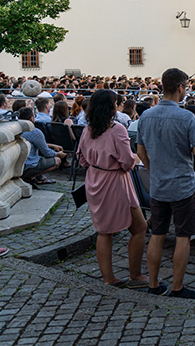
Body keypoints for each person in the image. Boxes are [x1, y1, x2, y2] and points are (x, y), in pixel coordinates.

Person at [136, 68, 195, 299]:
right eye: (185, 87)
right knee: (183, 236)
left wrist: (153, 168)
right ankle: (177, 287)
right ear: (180, 88)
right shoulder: (186, 117)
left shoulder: (146, 115)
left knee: (157, 234)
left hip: (158, 184)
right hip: (182, 186)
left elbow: (140, 150)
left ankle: (154, 284)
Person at [77, 89, 148, 289]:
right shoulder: (117, 130)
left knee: (103, 231)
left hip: (94, 180)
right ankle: (135, 275)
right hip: (115, 182)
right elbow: (127, 163)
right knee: (139, 228)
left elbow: (82, 159)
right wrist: (135, 156)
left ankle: (108, 278)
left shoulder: (87, 129)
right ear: (112, 107)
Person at [17, 107, 65, 185]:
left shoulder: (17, 129)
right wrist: (58, 154)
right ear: (31, 118)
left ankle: (39, 177)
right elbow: (47, 152)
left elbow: (32, 142)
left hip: (18, 164)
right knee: (57, 160)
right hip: (29, 165)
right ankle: (31, 176)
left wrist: (52, 145)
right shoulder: (34, 131)